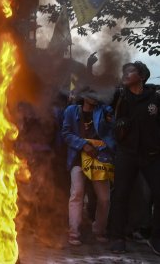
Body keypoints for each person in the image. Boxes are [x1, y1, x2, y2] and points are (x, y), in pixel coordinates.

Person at [109, 61, 160, 255]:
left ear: (141, 76)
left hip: (152, 156)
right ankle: (116, 237)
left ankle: (156, 238)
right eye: (124, 71)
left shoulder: (155, 99)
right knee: (120, 195)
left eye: (130, 71)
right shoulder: (119, 97)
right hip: (127, 154)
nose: (125, 74)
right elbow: (98, 97)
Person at [61, 87, 114, 246]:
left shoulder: (104, 111)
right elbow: (66, 133)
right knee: (77, 193)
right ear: (83, 96)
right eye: (91, 94)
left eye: (97, 93)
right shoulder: (71, 110)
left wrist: (101, 148)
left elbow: (111, 135)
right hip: (78, 158)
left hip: (99, 158)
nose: (95, 97)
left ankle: (98, 230)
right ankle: (74, 232)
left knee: (104, 198)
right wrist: (83, 145)